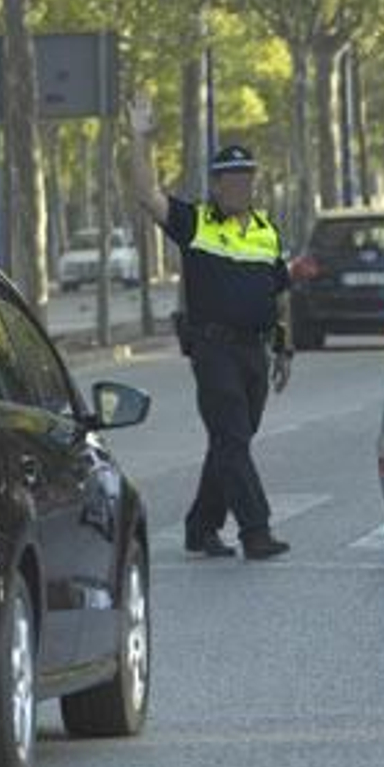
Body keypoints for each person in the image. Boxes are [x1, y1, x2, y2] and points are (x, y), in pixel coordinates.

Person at [127, 92, 293, 560]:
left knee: (230, 440)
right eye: (231, 179)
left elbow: (281, 295)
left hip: (256, 351)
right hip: (213, 349)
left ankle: (201, 526)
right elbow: (146, 194)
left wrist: (285, 349)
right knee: (233, 438)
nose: (240, 185)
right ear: (216, 185)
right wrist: (141, 138)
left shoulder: (266, 230)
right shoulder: (196, 222)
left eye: (247, 177)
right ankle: (255, 531)